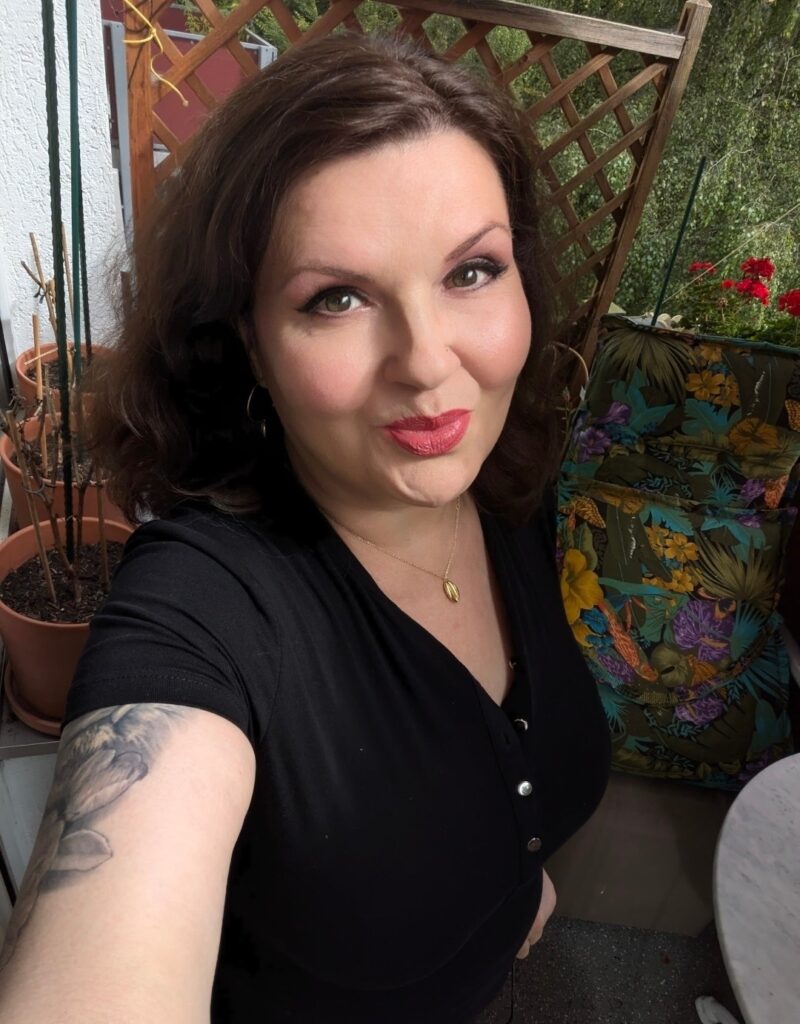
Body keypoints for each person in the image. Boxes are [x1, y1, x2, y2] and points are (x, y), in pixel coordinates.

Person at [0, 32, 610, 1024]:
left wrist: (517, 883)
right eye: (337, 298)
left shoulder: (502, 484)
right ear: (249, 338)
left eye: (470, 272)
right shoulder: (205, 609)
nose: (426, 361)